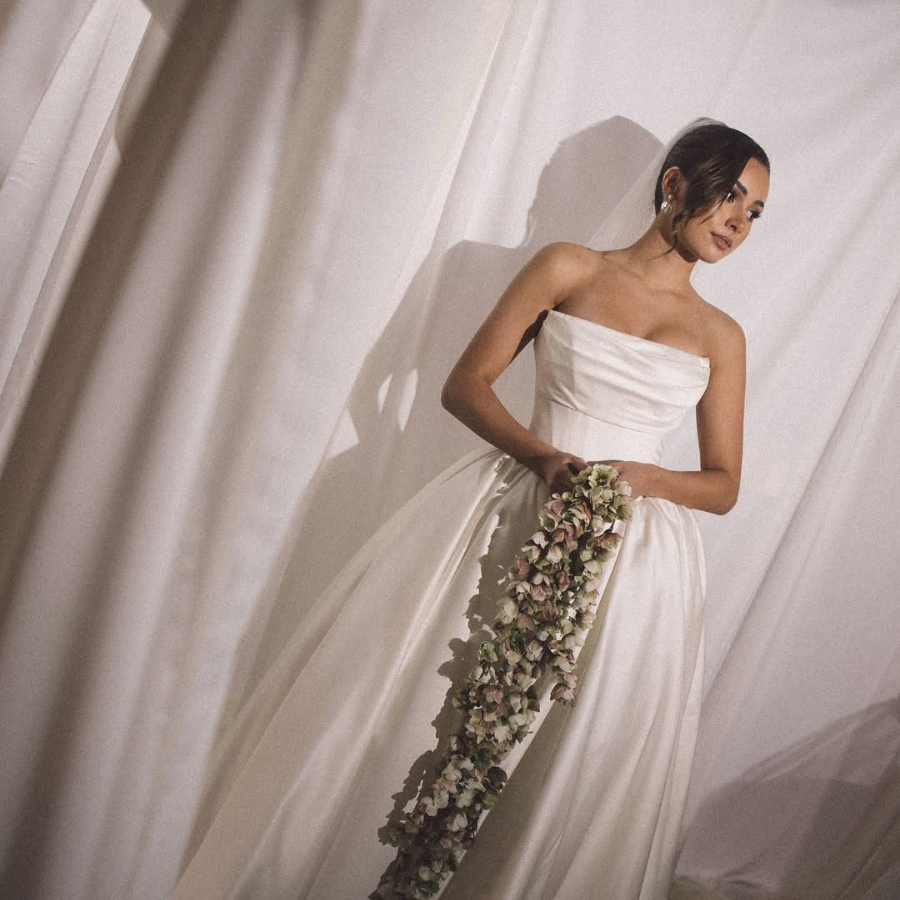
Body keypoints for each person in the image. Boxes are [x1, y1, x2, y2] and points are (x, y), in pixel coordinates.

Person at [172, 120, 770, 900]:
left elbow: (723, 484)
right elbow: (465, 385)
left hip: (633, 557)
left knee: (572, 740)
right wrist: (541, 457)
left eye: (755, 212)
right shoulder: (568, 265)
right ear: (675, 183)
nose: (739, 222)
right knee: (430, 702)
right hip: (515, 504)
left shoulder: (721, 336)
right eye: (731, 196)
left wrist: (646, 478)